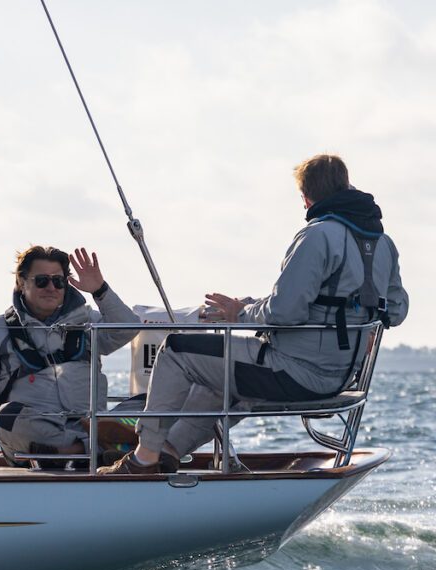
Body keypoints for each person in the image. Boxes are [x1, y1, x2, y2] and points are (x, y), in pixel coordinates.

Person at [99, 154, 409, 475]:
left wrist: (241, 313)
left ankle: (144, 458)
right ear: (345, 185)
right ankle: (169, 451)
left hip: (296, 372)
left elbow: (284, 313)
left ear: (306, 197)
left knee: (176, 349)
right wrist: (360, 323)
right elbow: (396, 310)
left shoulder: (316, 236)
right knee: (216, 377)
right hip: (343, 376)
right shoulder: (383, 243)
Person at [0, 246, 139, 466]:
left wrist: (100, 290)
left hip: (90, 424)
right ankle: (94, 449)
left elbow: (128, 328)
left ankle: (71, 452)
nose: (51, 288)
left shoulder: (88, 322)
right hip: (37, 431)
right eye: (41, 281)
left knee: (147, 404)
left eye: (58, 281)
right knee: (5, 418)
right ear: (22, 282)